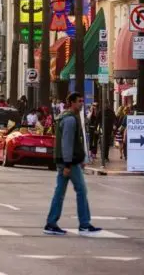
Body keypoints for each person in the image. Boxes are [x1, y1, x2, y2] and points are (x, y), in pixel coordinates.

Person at [43, 93, 100, 235]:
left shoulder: (68, 117)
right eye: (79, 101)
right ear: (71, 103)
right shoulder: (70, 120)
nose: (82, 104)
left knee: (60, 192)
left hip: (68, 161)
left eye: (82, 101)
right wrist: (68, 164)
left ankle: (51, 223)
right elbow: (67, 143)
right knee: (81, 190)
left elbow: (72, 143)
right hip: (68, 162)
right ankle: (84, 224)